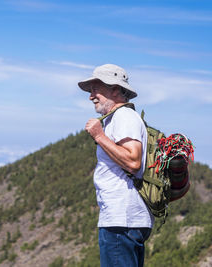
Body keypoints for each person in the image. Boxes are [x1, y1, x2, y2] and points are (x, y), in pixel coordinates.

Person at [78, 64, 153, 267]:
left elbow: (133, 161)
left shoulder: (124, 117)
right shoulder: (120, 118)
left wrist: (99, 136)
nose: (91, 96)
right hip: (124, 219)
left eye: (96, 89)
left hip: (122, 220)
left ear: (115, 89)